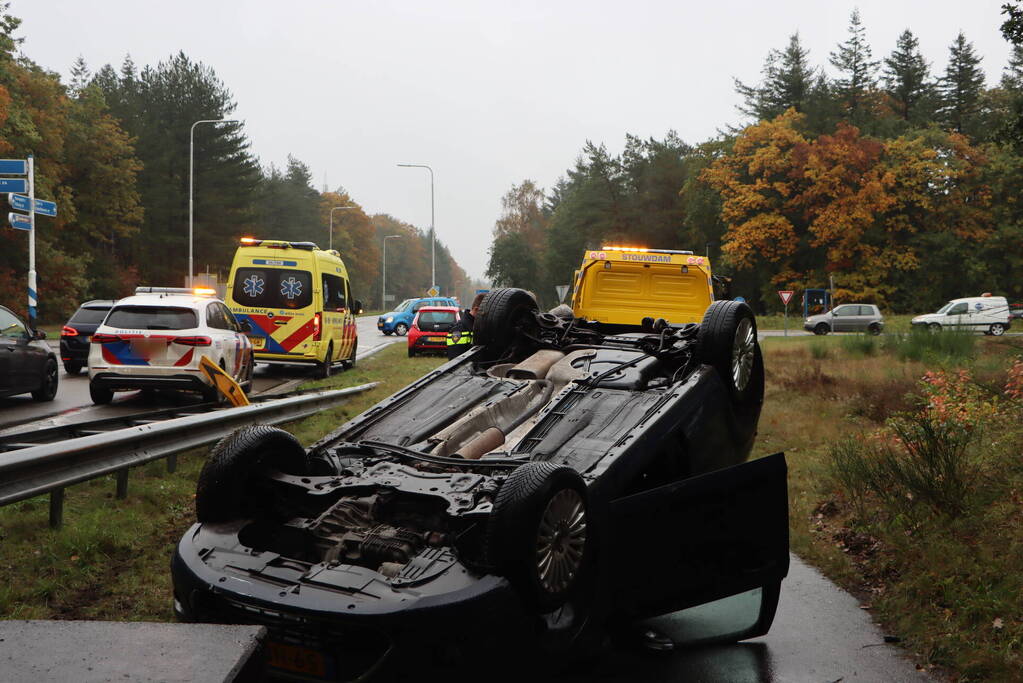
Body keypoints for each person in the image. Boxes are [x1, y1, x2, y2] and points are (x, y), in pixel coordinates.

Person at [446, 292, 485, 359]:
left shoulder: (478, 326)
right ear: (476, 309)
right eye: (485, 314)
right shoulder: (459, 329)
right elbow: (455, 359)